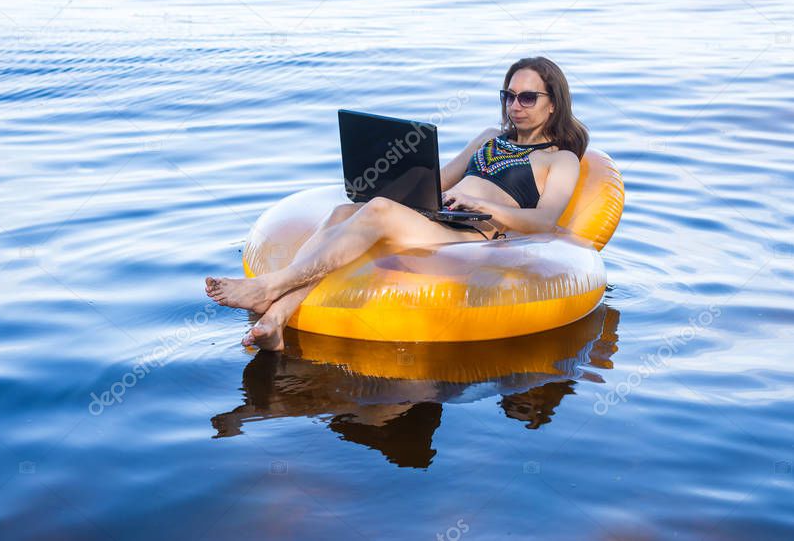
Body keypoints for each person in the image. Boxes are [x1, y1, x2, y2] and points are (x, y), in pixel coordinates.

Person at [205, 56, 589, 350]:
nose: (514, 105)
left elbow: (544, 221)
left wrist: (479, 204)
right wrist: (388, 176)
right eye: (508, 95)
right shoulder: (489, 136)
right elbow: (438, 182)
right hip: (440, 215)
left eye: (527, 97)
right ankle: (277, 318)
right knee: (344, 211)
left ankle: (268, 288)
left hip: (475, 233)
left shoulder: (560, 159)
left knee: (378, 213)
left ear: (552, 103)